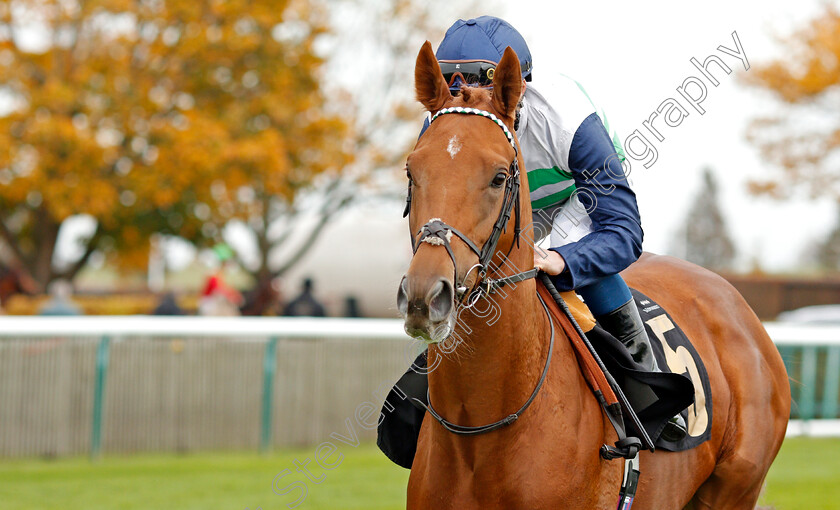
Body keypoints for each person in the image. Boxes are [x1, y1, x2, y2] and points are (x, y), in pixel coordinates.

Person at [419, 16, 686, 441]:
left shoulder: (566, 121)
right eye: (456, 97)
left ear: (512, 90)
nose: (465, 109)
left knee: (558, 265)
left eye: (479, 96)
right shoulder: (444, 124)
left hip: (579, 190)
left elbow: (624, 230)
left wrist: (563, 258)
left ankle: (649, 390)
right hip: (505, 194)